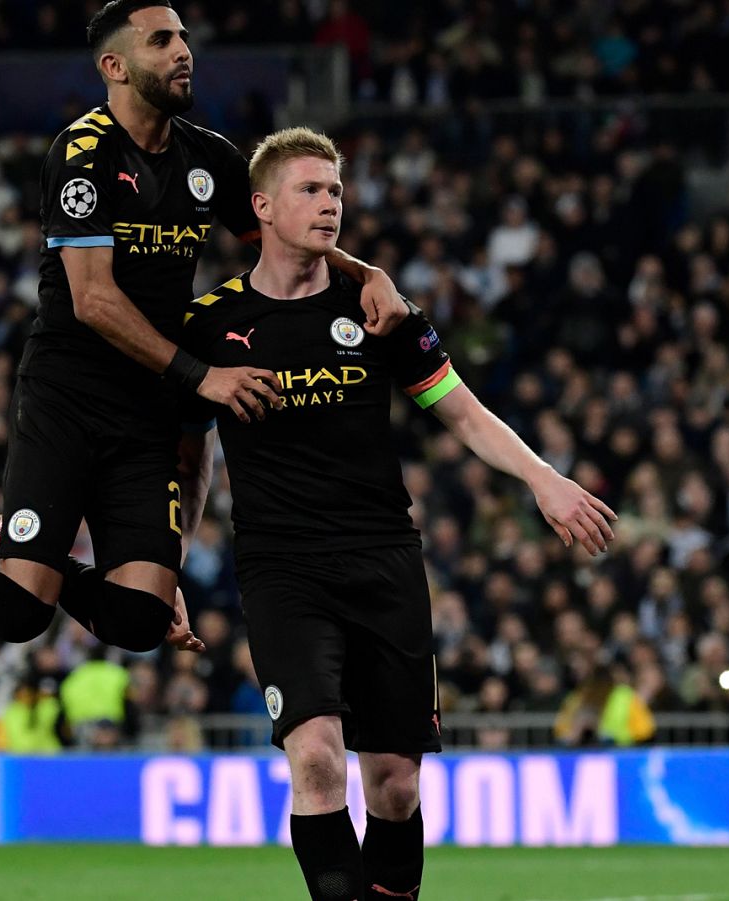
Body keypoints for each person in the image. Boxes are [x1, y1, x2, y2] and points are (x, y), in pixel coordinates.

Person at [0, 0, 406, 657]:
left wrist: (365, 273)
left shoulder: (209, 158)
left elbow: (284, 235)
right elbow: (94, 301)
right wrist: (205, 377)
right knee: (19, 612)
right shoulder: (83, 154)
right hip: (68, 398)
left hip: (147, 411)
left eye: (184, 39)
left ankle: (14, 550)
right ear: (114, 65)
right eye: (162, 41)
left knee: (140, 622)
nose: (183, 52)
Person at [178, 127, 617, 901]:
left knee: (396, 787)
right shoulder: (209, 324)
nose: (329, 204)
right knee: (315, 759)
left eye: (336, 191)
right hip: (281, 567)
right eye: (311, 190)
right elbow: (190, 453)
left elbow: (466, 414)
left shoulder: (379, 311)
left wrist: (544, 479)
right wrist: (169, 557)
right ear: (263, 206)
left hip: (383, 556)